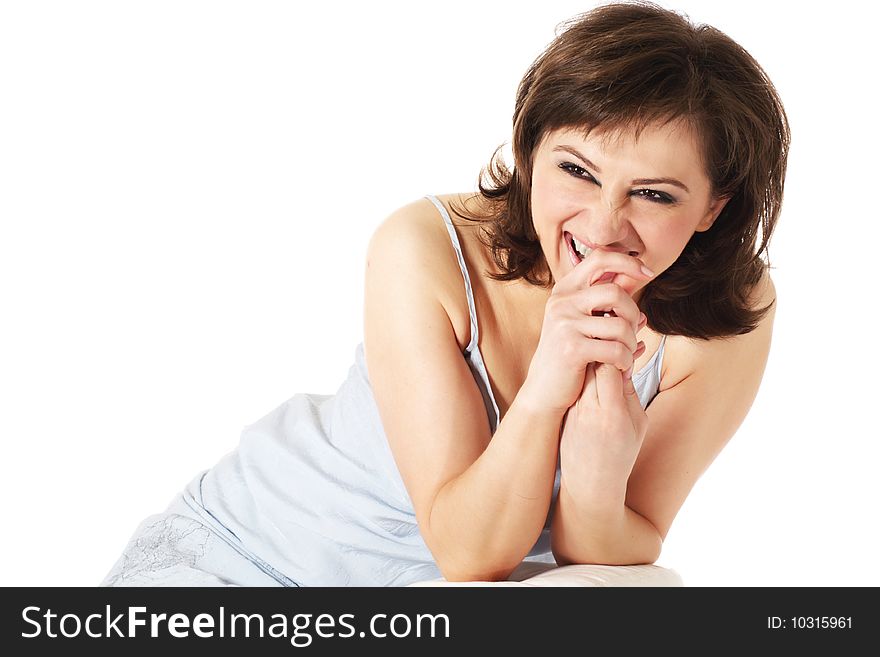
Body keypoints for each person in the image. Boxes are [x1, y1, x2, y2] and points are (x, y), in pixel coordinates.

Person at [101, 1, 789, 587]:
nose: (604, 224)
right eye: (576, 170)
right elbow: (467, 550)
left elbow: (601, 555)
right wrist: (549, 387)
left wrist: (596, 472)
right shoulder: (423, 246)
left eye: (653, 193)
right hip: (250, 560)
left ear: (712, 207)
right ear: (527, 152)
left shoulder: (727, 319)